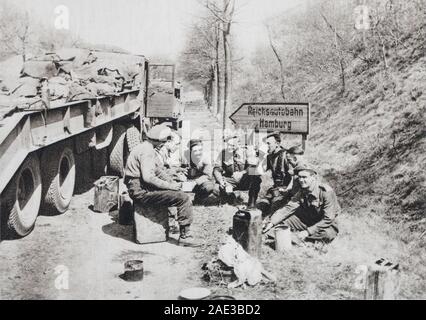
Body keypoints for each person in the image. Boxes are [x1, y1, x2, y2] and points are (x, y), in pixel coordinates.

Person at [124, 124, 200, 247]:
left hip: (139, 187)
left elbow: (158, 170)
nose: (163, 145)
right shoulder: (147, 151)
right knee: (183, 198)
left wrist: (171, 182)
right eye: (163, 142)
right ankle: (185, 236)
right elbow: (148, 178)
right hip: (140, 191)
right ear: (158, 141)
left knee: (175, 193)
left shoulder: (145, 147)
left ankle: (174, 224)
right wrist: (170, 186)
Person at [263, 162, 340, 244]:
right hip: (307, 220)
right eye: (299, 177)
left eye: (304, 177)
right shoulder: (302, 191)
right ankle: (271, 234)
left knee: (327, 234)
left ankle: (302, 240)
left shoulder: (326, 192)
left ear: (313, 177)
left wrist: (308, 231)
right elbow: (288, 208)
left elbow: (328, 219)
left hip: (324, 223)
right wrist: (271, 222)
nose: (301, 180)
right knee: (283, 222)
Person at [213, 134, 262, 208]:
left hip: (245, 180)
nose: (229, 147)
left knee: (256, 177)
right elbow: (217, 169)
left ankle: (251, 202)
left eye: (232, 145)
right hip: (231, 181)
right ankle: (230, 197)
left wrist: (242, 173)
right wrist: (220, 181)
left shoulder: (247, 152)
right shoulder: (223, 153)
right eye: (228, 145)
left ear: (238, 144)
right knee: (216, 187)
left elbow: (253, 167)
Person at [257, 132, 292, 216]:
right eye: (266, 144)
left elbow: (294, 177)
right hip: (275, 189)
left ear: (277, 144)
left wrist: (287, 190)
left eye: (269, 144)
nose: (267, 146)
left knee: (275, 207)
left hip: (287, 190)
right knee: (261, 205)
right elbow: (261, 170)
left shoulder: (286, 155)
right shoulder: (270, 156)